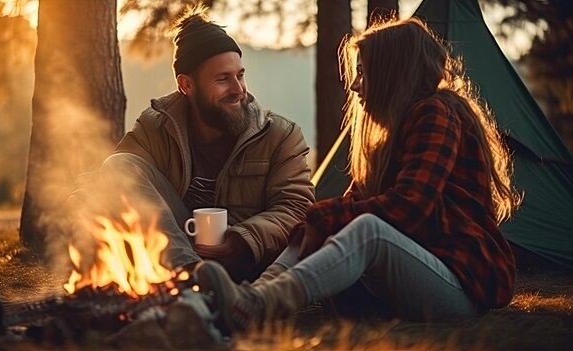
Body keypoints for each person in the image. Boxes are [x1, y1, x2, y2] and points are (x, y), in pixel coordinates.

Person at [194, 17, 521, 333]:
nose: (355, 85)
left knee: (367, 229)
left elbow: (410, 207)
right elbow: (352, 203)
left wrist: (326, 214)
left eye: (364, 72)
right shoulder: (393, 132)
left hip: (460, 283)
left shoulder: (435, 112)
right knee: (322, 223)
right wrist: (319, 221)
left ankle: (257, 306)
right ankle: (248, 299)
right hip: (423, 273)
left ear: (392, 73)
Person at [73, 5, 315, 283]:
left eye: (240, 74)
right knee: (119, 165)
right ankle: (191, 276)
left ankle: (198, 281)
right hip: (177, 257)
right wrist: (78, 210)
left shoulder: (280, 136)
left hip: (245, 264)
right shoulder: (158, 127)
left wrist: (239, 239)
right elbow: (114, 177)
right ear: (186, 85)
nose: (238, 89)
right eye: (223, 79)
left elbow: (295, 208)